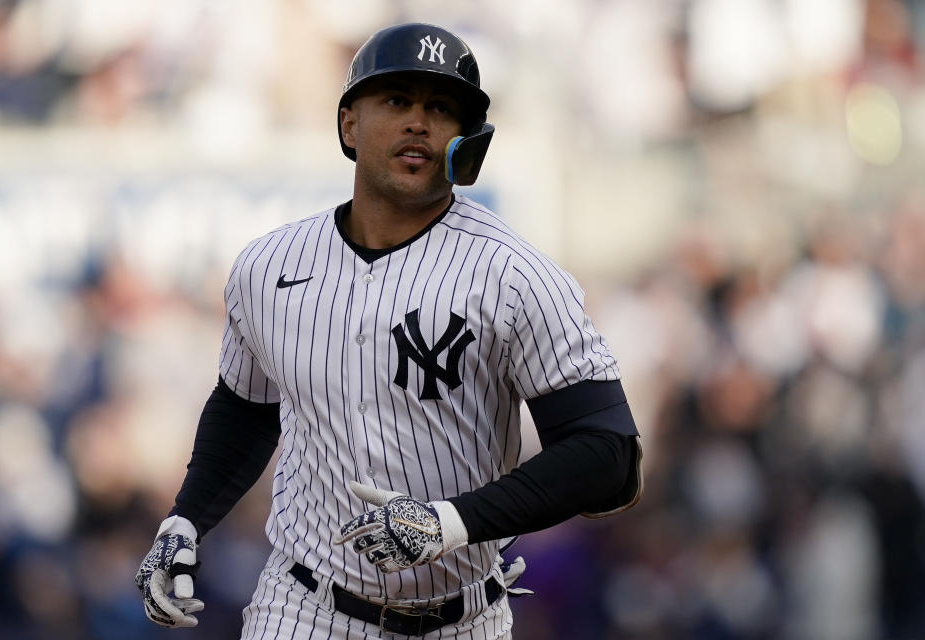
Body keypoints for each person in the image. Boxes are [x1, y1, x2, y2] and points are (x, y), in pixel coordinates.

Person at [135, 22, 642, 639]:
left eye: (441, 108)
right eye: (398, 100)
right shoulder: (269, 266)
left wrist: (450, 523)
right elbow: (246, 407)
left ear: (467, 139)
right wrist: (184, 520)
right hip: (304, 607)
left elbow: (610, 454)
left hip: (463, 616)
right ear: (349, 123)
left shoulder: (515, 274)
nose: (419, 123)